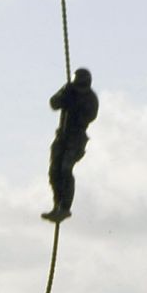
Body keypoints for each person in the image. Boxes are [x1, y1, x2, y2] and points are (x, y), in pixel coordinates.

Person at [43, 67, 98, 222]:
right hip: (61, 138)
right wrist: (63, 96)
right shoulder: (69, 89)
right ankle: (57, 205)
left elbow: (87, 118)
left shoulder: (91, 99)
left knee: (65, 169)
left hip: (76, 139)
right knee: (54, 171)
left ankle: (65, 208)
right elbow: (53, 104)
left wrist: (74, 105)